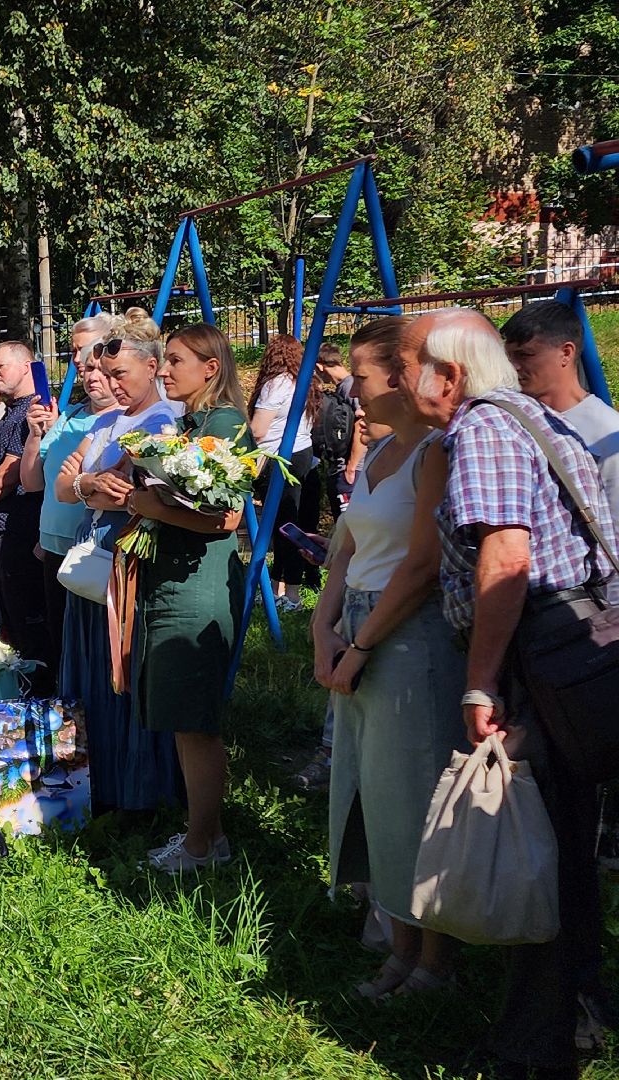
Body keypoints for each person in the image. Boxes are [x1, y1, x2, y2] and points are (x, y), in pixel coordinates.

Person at [399, 308, 614, 1079]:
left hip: (545, 657)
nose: (397, 379)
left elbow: (507, 560)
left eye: (406, 364)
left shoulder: (482, 430)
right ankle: (572, 1015)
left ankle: (535, 1051)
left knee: (541, 845)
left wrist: (481, 678)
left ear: (448, 375)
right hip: (574, 652)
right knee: (566, 847)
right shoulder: (527, 416)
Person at [311, 316, 467, 999]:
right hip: (356, 628)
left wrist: (363, 643)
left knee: (416, 793)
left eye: (362, 375)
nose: (351, 386)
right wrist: (323, 630)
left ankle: (435, 960)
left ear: (400, 378)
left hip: (407, 635)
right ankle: (397, 943)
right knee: (373, 792)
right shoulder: (375, 455)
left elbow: (423, 565)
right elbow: (344, 551)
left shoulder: (437, 451)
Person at [126, 323, 251, 873]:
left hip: (197, 588)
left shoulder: (223, 424)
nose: (165, 369)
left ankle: (204, 845)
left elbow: (224, 517)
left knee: (196, 723)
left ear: (211, 368)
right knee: (183, 719)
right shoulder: (194, 422)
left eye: (176, 360)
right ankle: (204, 834)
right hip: (175, 579)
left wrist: (152, 507)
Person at [55, 315, 183, 815]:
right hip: (90, 555)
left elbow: (127, 490)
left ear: (151, 367)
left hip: (126, 559)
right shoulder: (108, 421)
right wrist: (90, 486)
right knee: (88, 666)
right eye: (105, 376)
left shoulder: (161, 422)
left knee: (119, 669)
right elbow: (72, 488)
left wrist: (89, 485)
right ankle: (88, 786)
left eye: (120, 375)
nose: (110, 386)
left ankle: (134, 793)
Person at [21, 310, 122, 664]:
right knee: (62, 645)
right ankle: (70, 714)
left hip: (95, 551)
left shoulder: (125, 417)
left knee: (96, 651)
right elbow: (32, 481)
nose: (77, 361)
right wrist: (36, 435)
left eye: (83, 352)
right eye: (74, 353)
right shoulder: (72, 414)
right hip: (53, 548)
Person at [502, 299, 619, 521]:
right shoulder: (510, 420)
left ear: (566, 353)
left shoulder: (606, 435)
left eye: (525, 355)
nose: (513, 366)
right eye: (509, 357)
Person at [0, 341, 52, 690]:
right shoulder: (11, 411)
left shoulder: (33, 409)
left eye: (1, 366)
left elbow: (9, 476)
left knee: (28, 618)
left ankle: (39, 692)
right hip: (0, 527)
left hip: (18, 527)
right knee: (13, 619)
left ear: (27, 366)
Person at [248, 334, 322, 609]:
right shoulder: (305, 381)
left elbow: (258, 430)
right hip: (302, 453)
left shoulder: (275, 384)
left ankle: (290, 593)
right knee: (289, 522)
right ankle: (280, 588)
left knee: (282, 526)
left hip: (277, 457)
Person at [314, 343, 364, 517]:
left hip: (351, 470)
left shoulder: (349, 387)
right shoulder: (343, 386)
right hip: (345, 468)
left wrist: (351, 467)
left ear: (320, 366)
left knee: (346, 522)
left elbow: (361, 423)